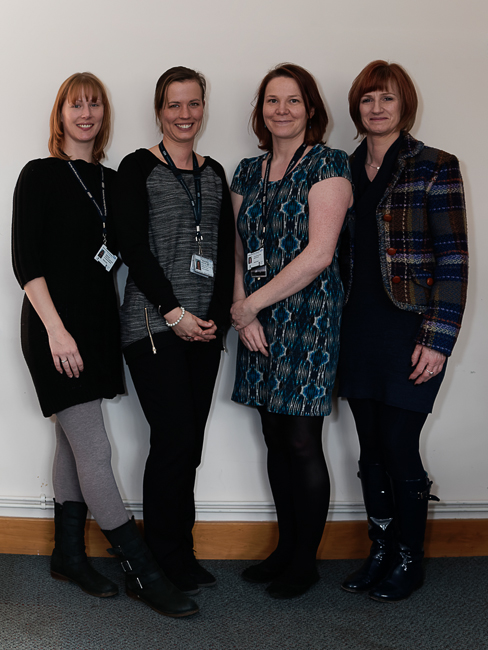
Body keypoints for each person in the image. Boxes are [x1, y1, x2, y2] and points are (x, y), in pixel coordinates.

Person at [11, 72, 198, 618]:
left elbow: (130, 249)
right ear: (60, 114)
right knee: (95, 449)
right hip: (53, 326)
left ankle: (68, 555)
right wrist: (56, 330)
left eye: (94, 104)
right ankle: (143, 569)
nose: (86, 113)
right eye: (76, 104)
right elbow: (25, 262)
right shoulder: (39, 174)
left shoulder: (113, 182)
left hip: (98, 326)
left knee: (72, 443)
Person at [338, 60, 468, 602]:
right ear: (357, 107)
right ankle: (382, 549)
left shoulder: (435, 165)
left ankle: (409, 558)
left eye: (387, 98)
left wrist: (438, 340)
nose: (377, 108)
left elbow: (454, 260)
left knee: (398, 442)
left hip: (410, 329)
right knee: (370, 446)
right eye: (368, 99)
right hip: (354, 328)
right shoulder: (340, 169)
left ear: (404, 105)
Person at [230, 63, 353, 599]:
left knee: (302, 440)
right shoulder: (246, 172)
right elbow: (237, 251)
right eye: (272, 100)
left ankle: (304, 561)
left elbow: (320, 254)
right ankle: (284, 548)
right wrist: (244, 310)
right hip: (256, 323)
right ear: (260, 111)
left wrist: (249, 306)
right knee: (274, 437)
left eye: (293, 100)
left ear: (311, 109)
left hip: (310, 317)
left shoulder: (329, 164)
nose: (282, 110)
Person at [114, 67, 234, 596]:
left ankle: (179, 552)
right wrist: (173, 311)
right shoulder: (138, 167)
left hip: (203, 329)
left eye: (194, 104)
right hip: (152, 324)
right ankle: (160, 560)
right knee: (173, 440)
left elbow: (226, 251)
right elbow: (132, 247)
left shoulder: (215, 173)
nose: (185, 115)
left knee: (191, 445)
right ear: (159, 111)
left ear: (204, 107)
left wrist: (216, 321)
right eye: (174, 105)